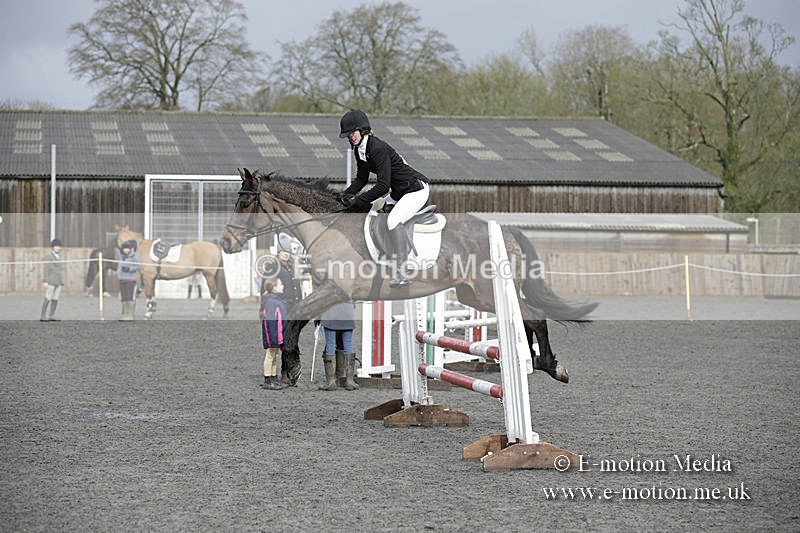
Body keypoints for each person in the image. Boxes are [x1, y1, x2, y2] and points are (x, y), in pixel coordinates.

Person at [337, 109, 430, 287]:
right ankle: (386, 258)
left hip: (415, 189)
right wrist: (345, 195)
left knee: (393, 220)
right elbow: (361, 179)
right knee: (377, 217)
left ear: (362, 130)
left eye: (352, 132)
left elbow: (382, 186)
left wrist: (358, 200)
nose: (350, 137)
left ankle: (403, 271)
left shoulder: (377, 148)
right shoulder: (360, 150)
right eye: (348, 134)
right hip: (399, 191)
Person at [318, 301, 359, 391]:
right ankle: (349, 381)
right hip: (347, 312)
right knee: (348, 344)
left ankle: (330, 382)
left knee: (330, 344)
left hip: (330, 311)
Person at [260, 277, 288, 390]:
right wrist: (273, 338)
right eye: (281, 284)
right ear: (275, 288)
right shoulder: (272, 302)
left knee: (275, 356)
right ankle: (268, 380)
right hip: (274, 335)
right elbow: (271, 322)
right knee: (270, 355)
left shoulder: (277, 300)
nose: (283, 286)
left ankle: (274, 378)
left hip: (278, 335)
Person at [117, 240, 141, 321]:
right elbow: (119, 268)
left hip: (130, 279)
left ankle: (130, 315)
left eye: (127, 248)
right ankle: (125, 314)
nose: (125, 250)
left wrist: (129, 269)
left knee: (129, 297)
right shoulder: (122, 257)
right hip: (122, 279)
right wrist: (119, 276)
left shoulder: (134, 256)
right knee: (123, 297)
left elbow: (138, 266)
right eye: (124, 248)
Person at [41, 238, 64, 321]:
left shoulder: (59, 256)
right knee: (48, 297)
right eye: (56, 246)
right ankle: (43, 315)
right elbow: (46, 269)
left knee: (55, 298)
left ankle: (52, 315)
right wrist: (45, 281)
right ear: (53, 247)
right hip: (51, 280)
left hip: (58, 281)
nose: (57, 248)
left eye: (59, 246)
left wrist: (61, 281)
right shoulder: (49, 257)